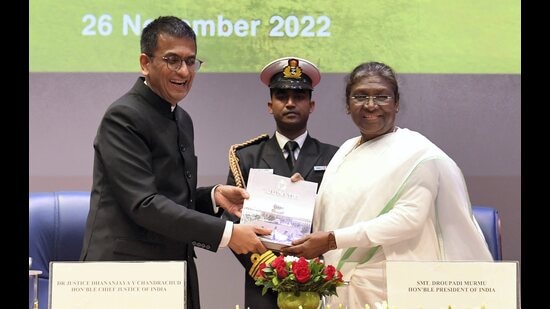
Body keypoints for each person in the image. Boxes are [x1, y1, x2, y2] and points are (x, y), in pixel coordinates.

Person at [79, 16, 271, 309]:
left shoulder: (182, 119)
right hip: (122, 278)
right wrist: (228, 233)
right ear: (145, 63)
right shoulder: (123, 117)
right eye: (172, 60)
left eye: (191, 61)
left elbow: (171, 194)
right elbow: (144, 204)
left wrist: (213, 196)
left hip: (173, 272)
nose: (184, 71)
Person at [281, 61, 494, 308]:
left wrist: (331, 240)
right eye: (360, 96)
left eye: (382, 96)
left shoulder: (418, 154)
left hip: (392, 287)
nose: (371, 105)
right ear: (348, 105)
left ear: (396, 103)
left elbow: (407, 219)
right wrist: (298, 197)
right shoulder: (347, 149)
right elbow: (340, 207)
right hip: (341, 284)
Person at [225, 56, 339, 308]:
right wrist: (272, 269)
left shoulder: (336, 157)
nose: (290, 103)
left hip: (319, 281)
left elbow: (341, 216)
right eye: (281, 96)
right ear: (270, 104)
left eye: (299, 97)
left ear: (312, 105)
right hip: (264, 286)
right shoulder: (246, 157)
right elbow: (233, 222)